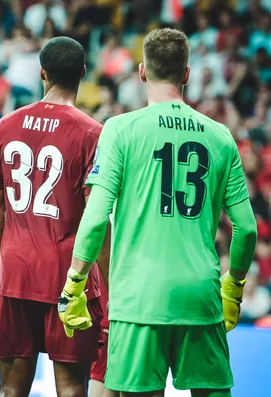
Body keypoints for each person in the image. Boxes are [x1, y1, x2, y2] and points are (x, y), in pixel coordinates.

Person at [58, 28, 258, 397]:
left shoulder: (119, 130)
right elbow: (246, 229)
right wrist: (233, 288)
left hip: (138, 299)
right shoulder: (220, 136)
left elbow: (97, 216)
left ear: (142, 72)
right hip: (201, 297)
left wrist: (75, 283)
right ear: (186, 73)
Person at [0, 36, 109, 397]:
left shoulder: (5, 126)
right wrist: (110, 289)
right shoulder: (91, 133)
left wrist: (1, 276)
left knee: (10, 389)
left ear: (42, 72)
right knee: (71, 389)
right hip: (69, 276)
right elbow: (97, 218)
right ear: (83, 73)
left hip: (17, 270)